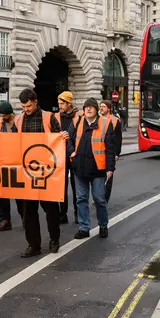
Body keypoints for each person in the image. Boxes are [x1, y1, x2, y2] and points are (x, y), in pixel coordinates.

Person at [15, 88, 69, 258]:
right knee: (28, 211)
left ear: (35, 102)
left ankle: (54, 239)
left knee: (51, 209)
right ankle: (33, 245)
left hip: (47, 171)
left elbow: (58, 140)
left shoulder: (49, 117)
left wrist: (63, 136)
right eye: (23, 106)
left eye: (28, 106)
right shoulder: (19, 120)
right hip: (27, 171)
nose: (26, 110)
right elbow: (12, 142)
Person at [71, 98, 116, 240]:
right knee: (81, 199)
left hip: (97, 169)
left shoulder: (105, 123)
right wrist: (71, 152)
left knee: (98, 199)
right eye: (86, 107)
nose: (88, 109)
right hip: (79, 168)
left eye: (91, 107)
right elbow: (68, 139)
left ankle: (103, 225)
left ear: (96, 109)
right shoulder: (77, 121)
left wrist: (110, 168)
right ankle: (84, 228)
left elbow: (110, 148)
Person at [54, 91, 80, 224]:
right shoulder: (55, 117)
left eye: (62, 103)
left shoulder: (78, 117)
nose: (60, 106)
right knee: (61, 187)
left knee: (77, 187)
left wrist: (71, 137)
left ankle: (77, 213)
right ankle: (62, 214)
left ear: (69, 103)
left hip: (74, 155)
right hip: (60, 156)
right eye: (59, 103)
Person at [0, 102, 18, 232]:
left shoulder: (19, 122)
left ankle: (25, 218)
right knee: (2, 194)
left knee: (21, 194)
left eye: (5, 115)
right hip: (2, 161)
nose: (2, 117)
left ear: (10, 114)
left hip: (17, 161)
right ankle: (5, 220)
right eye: (1, 115)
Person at [100, 100, 123, 203]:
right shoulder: (98, 119)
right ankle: (99, 195)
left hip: (111, 152)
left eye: (103, 107)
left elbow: (118, 139)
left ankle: (105, 198)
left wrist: (117, 153)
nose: (101, 108)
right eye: (100, 106)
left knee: (108, 176)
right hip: (99, 151)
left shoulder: (115, 120)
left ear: (108, 109)